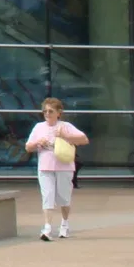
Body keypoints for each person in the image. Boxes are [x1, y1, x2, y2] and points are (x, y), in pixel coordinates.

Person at [24, 97, 90, 241]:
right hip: (45, 167)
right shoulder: (39, 127)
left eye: (50, 111)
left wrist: (65, 135)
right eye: (45, 111)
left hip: (64, 166)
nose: (47, 114)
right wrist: (37, 143)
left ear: (59, 112)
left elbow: (84, 139)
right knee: (47, 196)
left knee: (63, 197)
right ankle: (47, 227)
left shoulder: (65, 126)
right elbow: (28, 147)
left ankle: (64, 224)